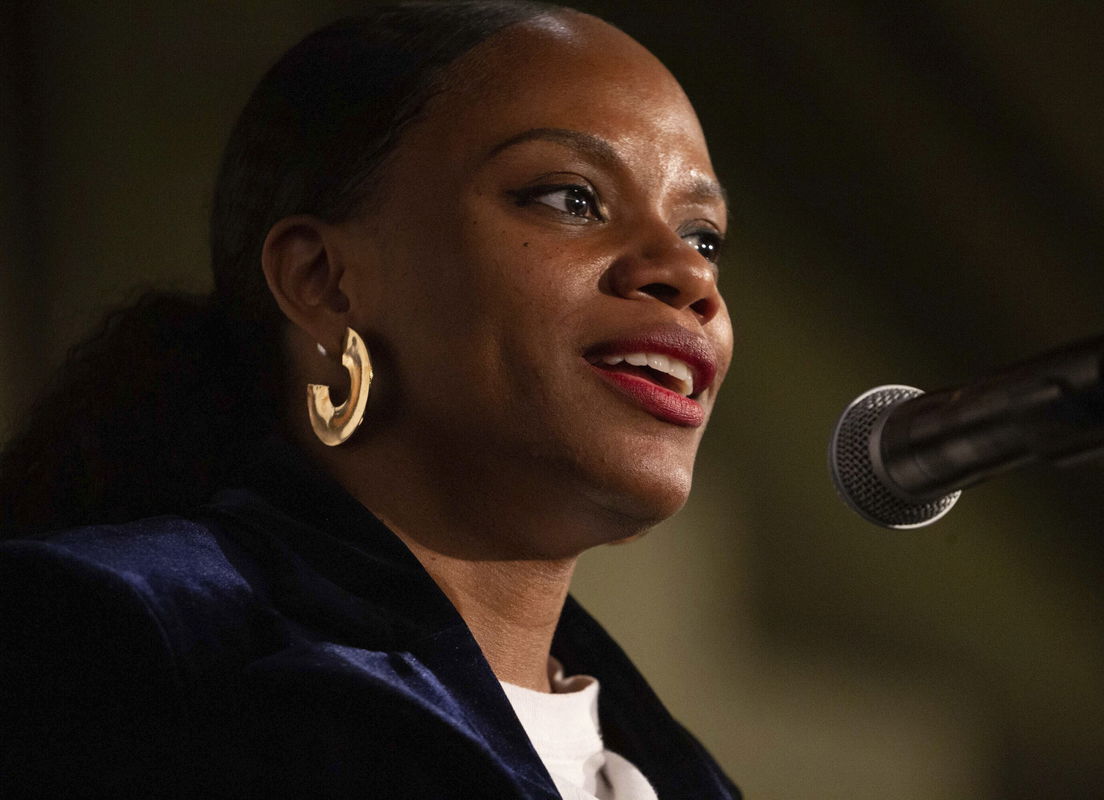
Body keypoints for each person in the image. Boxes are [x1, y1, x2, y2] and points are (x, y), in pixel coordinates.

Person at [0, 2, 737, 797]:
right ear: (323, 281)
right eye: (570, 198)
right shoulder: (118, 647)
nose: (689, 275)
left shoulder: (671, 772)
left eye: (704, 238)